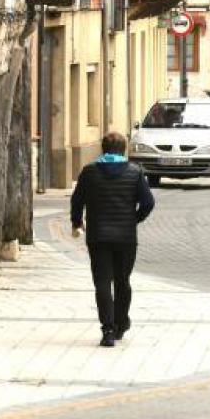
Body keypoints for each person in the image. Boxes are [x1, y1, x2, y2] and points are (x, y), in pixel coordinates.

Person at [70, 131, 156, 347]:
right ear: (124, 149)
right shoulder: (135, 172)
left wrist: (77, 222)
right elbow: (148, 203)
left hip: (98, 236)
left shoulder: (89, 172)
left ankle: (107, 330)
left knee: (102, 283)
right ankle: (121, 323)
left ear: (103, 149)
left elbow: (77, 201)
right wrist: (134, 220)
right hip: (126, 237)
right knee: (122, 281)